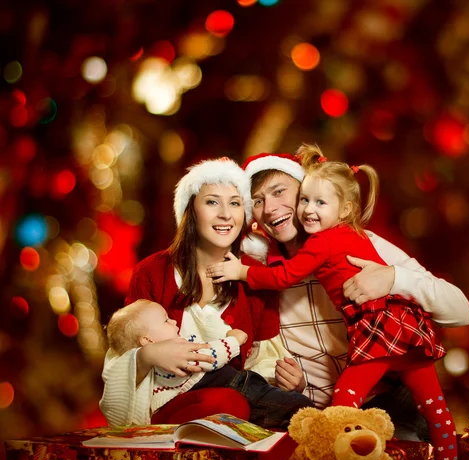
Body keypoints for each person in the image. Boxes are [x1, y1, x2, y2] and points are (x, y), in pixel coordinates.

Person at [207, 144, 468, 460]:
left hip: (385, 394)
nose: (270, 208)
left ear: (309, 192)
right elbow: (252, 353)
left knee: (394, 451)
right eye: (257, 200)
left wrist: (393, 278)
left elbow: (461, 311)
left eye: (281, 192)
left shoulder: (361, 243)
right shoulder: (262, 275)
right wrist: (289, 384)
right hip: (314, 410)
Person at [99, 157, 311, 430]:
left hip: (242, 407)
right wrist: (148, 356)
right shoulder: (153, 272)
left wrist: (293, 382)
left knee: (245, 405)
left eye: (234, 203)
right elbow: (123, 347)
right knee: (226, 403)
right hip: (175, 405)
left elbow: (263, 363)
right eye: (212, 202)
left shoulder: (255, 275)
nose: (225, 214)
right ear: (191, 210)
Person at [105, 299, 314, 429]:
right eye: (166, 320)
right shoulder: (174, 352)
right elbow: (210, 355)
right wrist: (234, 340)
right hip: (238, 386)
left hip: (243, 386)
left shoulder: (166, 360)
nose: (174, 322)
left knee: (278, 408)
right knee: (295, 407)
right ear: (147, 340)